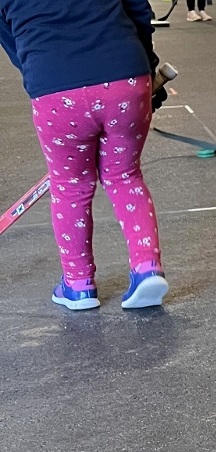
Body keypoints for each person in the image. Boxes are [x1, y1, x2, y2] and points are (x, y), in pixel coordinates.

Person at [0, 0, 170, 310]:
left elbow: (10, 39)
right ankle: (147, 269)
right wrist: (145, 62)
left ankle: (78, 285)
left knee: (70, 187)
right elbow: (139, 10)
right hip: (126, 76)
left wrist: (40, 73)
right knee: (125, 176)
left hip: (54, 86)